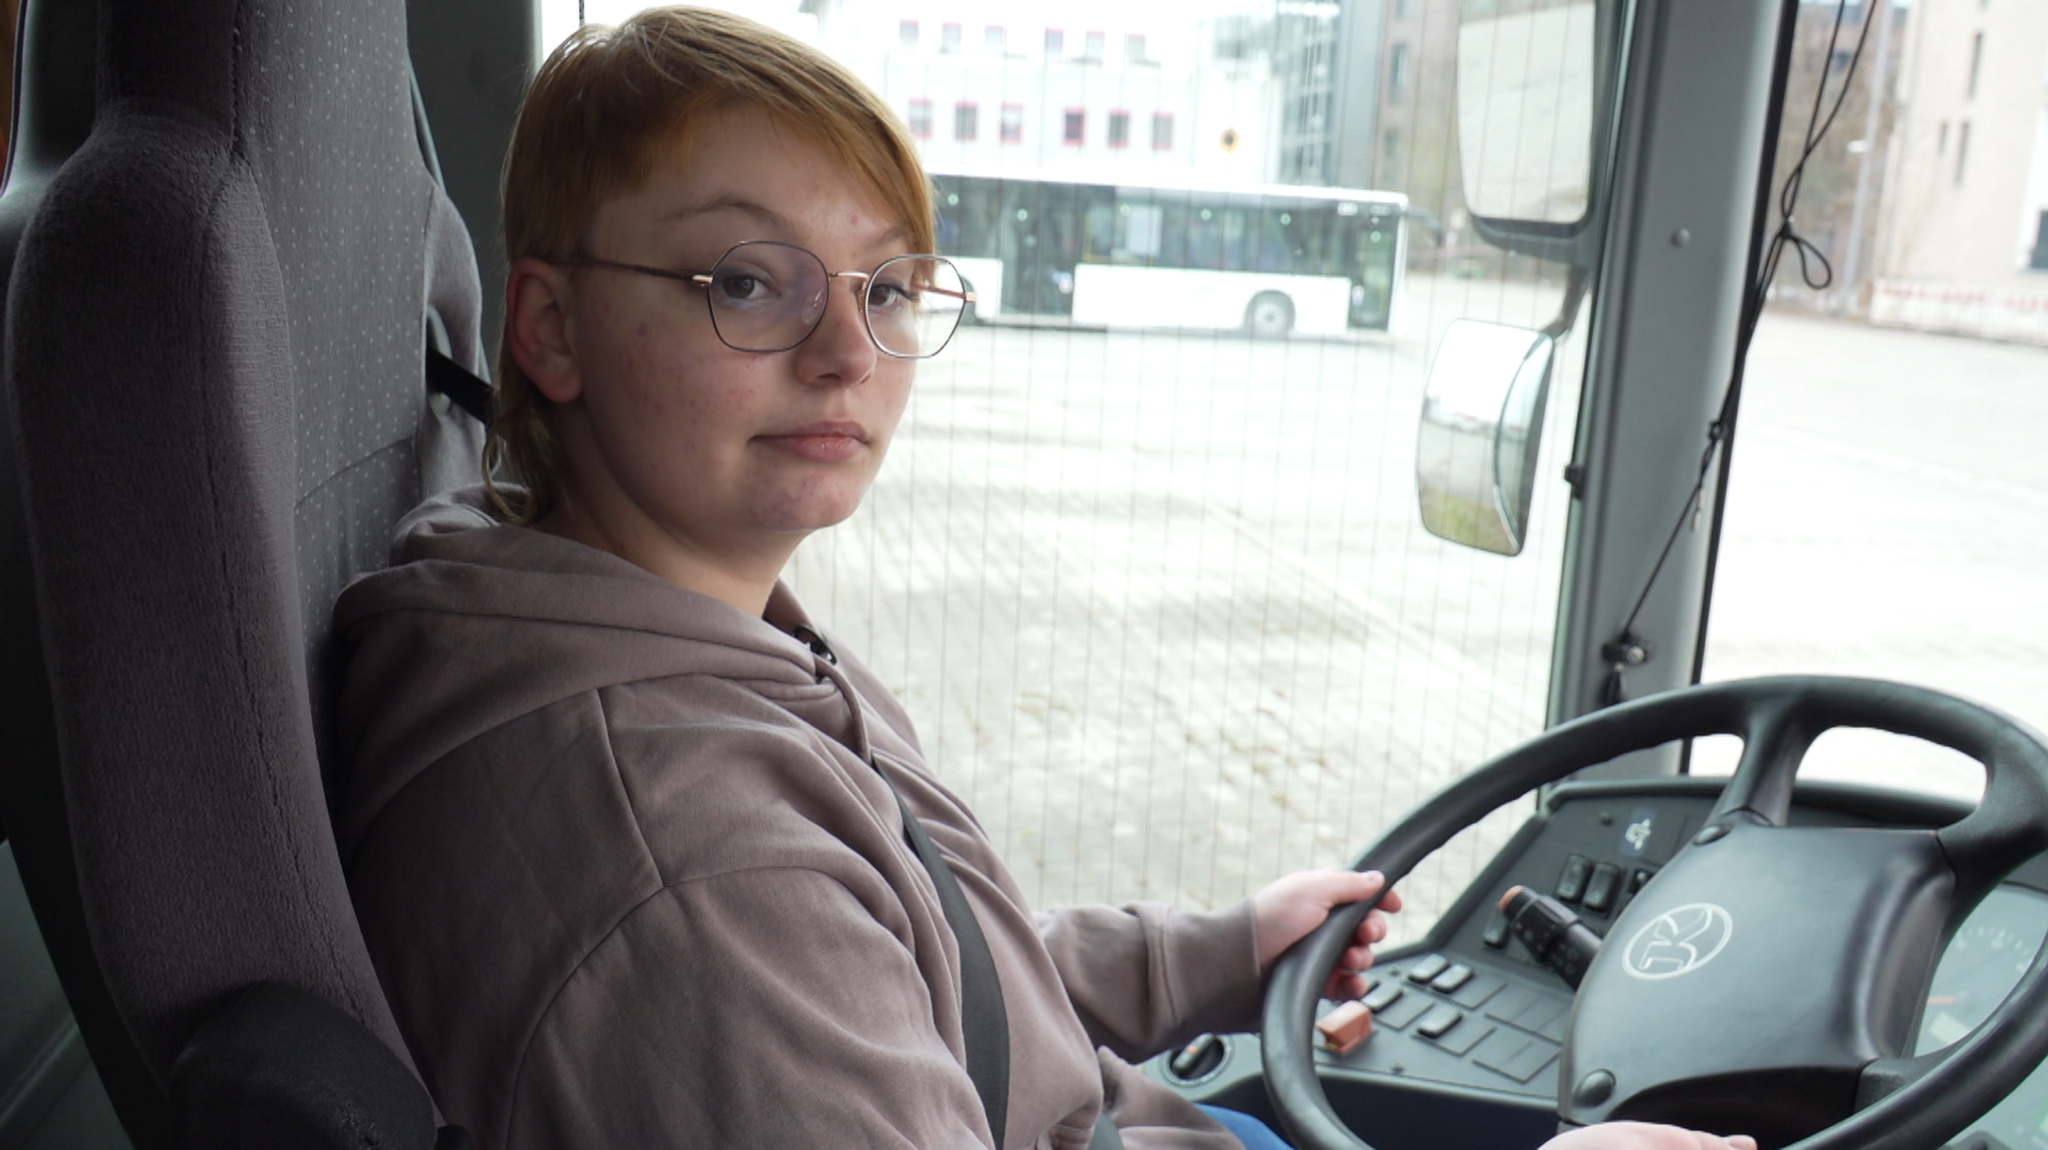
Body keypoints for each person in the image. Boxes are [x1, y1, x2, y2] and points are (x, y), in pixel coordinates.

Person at [330, 9, 1754, 1150]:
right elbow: (786, 930)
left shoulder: (676, 630)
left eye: (887, 289)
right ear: (551, 328)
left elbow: (911, 956)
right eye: (749, 282)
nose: (847, 354)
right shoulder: (682, 864)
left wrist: (1208, 954)